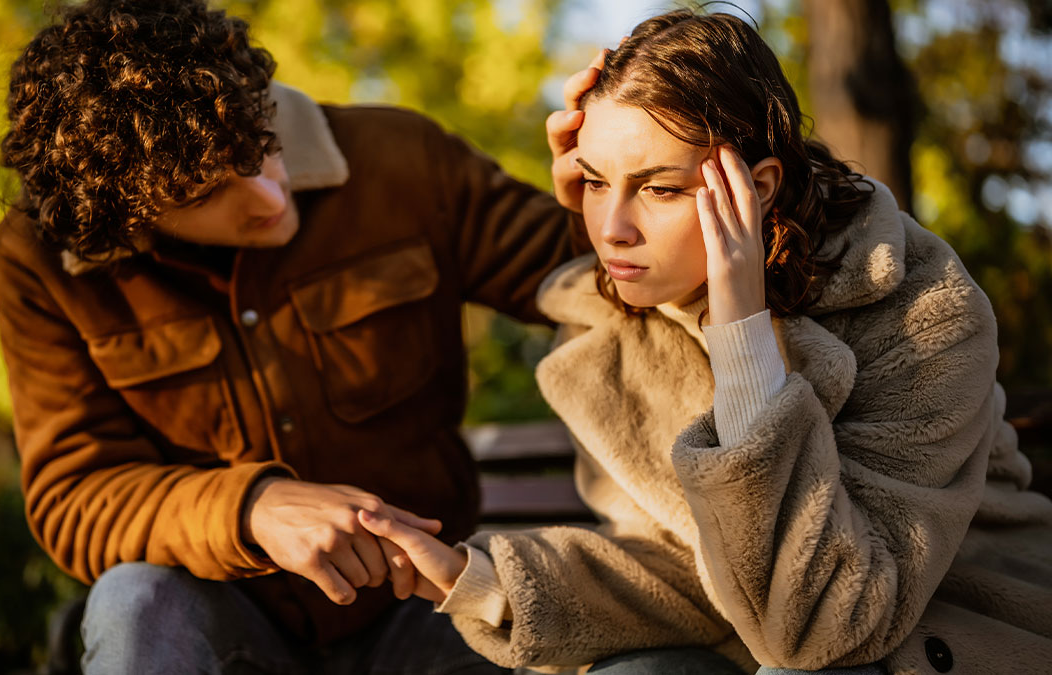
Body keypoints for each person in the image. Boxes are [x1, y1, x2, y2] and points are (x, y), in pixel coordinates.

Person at [359, 9, 1052, 675]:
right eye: (595, 181)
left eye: (659, 189)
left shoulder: (922, 313)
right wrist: (480, 579)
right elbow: (694, 571)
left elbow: (823, 629)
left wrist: (741, 338)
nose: (612, 229)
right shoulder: (620, 324)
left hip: (944, 630)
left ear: (758, 188)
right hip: (748, 637)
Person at [0, 0, 582, 672]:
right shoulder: (37, 262)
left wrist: (614, 177)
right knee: (134, 601)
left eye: (262, 146)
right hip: (226, 620)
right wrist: (250, 510)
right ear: (127, 219)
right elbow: (75, 497)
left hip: (424, 607)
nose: (270, 197)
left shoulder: (403, 158)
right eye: (202, 194)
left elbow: (596, 274)